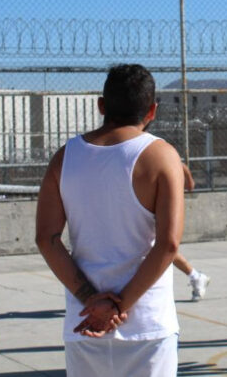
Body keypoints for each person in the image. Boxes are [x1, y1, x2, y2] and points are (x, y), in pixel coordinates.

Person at [36, 64, 183, 377]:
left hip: (84, 320)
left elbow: (47, 239)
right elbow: (168, 243)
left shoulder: (65, 156)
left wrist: (92, 301)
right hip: (147, 323)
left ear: (101, 105)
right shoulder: (162, 155)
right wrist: (118, 306)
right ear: (152, 110)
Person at [173, 162, 210, 302]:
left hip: (159, 208)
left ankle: (196, 276)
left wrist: (189, 181)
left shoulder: (154, 149)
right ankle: (196, 276)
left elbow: (181, 166)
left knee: (161, 247)